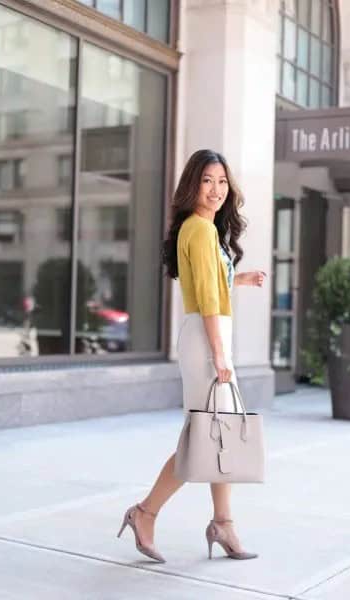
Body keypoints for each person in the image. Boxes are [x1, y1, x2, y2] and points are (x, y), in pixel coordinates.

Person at [117, 149, 266, 562]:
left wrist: (240, 277)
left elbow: (208, 286)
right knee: (203, 436)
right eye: (207, 181)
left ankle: (224, 524)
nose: (216, 190)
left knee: (220, 433)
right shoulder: (199, 231)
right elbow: (206, 300)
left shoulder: (200, 229)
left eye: (222, 182)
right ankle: (145, 512)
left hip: (206, 336)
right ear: (192, 186)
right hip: (207, 340)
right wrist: (220, 356)